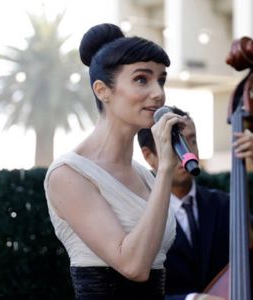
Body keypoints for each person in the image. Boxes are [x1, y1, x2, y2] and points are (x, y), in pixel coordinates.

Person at [43, 23, 188, 299]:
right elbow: (133, 266)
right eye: (142, 79)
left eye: (162, 80)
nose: (158, 93)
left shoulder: (146, 176)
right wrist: (167, 167)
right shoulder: (69, 175)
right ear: (102, 90)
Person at [137, 106, 253, 300]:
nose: (187, 152)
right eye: (174, 143)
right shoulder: (139, 215)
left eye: (192, 141)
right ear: (149, 156)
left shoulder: (224, 204)